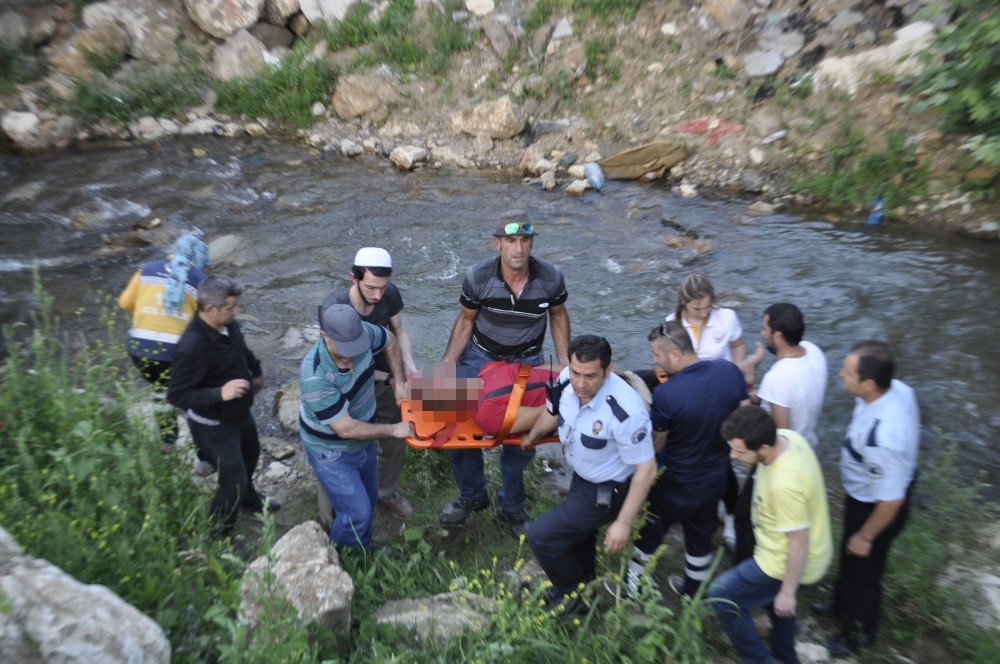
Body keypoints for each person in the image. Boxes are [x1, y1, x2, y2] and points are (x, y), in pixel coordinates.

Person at [438, 210, 571, 534]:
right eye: (511, 240)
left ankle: (511, 507)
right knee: (456, 425)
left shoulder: (551, 277)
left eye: (525, 240)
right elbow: (466, 320)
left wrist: (567, 367)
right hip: (479, 357)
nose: (519, 248)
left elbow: (558, 315)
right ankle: (473, 495)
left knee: (521, 438)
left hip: (528, 361)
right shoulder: (477, 276)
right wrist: (446, 366)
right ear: (497, 243)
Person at [522, 335, 656, 611]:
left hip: (610, 488)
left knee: (541, 536)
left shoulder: (626, 412)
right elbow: (553, 410)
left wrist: (624, 523)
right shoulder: (565, 379)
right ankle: (586, 587)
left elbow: (646, 469)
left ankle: (571, 597)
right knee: (580, 538)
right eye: (576, 373)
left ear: (608, 371)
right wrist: (531, 437)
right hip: (583, 477)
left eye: (591, 376)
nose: (581, 384)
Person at [813, 340, 920, 657]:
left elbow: (891, 501)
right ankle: (839, 606)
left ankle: (856, 636)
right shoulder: (896, 389)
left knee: (865, 570)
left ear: (869, 383)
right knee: (850, 556)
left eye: (847, 372)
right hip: (864, 492)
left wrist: (867, 535)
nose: (839, 375)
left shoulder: (884, 437)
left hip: (877, 506)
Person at [632, 321, 749, 597]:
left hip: (677, 482)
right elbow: (743, 414)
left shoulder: (667, 394)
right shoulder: (729, 371)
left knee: (651, 529)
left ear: (675, 354)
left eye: (656, 355)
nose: (654, 361)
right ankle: (692, 592)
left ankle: (632, 588)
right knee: (701, 536)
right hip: (715, 477)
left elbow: (661, 440)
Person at [709, 405, 832, 664]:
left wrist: (788, 591)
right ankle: (786, 657)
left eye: (740, 451)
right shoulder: (789, 437)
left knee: (721, 595)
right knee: (779, 608)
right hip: (802, 554)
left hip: (781, 563)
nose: (733, 456)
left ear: (763, 448)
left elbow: (798, 542)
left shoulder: (784, 484)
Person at [167, 275, 279, 538]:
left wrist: (256, 370)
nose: (236, 311)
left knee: (251, 456)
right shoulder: (191, 347)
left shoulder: (228, 325)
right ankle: (218, 535)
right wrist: (220, 393)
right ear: (209, 309)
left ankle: (250, 501)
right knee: (233, 484)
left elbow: (242, 351)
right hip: (213, 425)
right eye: (230, 307)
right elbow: (178, 395)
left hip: (239, 413)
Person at [299, 304, 413, 550]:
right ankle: (339, 559)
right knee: (358, 513)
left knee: (368, 500)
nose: (349, 363)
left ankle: (360, 545)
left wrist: (398, 380)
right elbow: (346, 429)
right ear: (325, 336)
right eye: (342, 355)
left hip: (363, 441)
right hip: (330, 450)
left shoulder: (364, 332)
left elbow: (391, 341)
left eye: (355, 352)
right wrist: (393, 429)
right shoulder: (314, 375)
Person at [319, 247, 419, 520]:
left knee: (396, 438)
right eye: (372, 288)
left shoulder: (389, 294)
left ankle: (386, 493)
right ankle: (334, 513)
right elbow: (344, 364)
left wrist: (407, 369)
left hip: (387, 371)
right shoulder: (334, 310)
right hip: (349, 380)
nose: (378, 295)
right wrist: (388, 377)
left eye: (383, 288)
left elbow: (398, 332)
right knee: (342, 445)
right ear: (354, 277)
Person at [118, 234, 210, 467]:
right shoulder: (199, 279)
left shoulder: (146, 270)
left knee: (162, 391)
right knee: (193, 400)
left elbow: (124, 304)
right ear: (198, 256)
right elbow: (207, 323)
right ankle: (205, 460)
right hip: (175, 354)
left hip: (139, 349)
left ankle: (168, 442)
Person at [747, 303, 827, 448]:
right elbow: (795, 395)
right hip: (809, 444)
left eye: (765, 329)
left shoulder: (777, 377)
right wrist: (759, 397)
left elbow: (780, 437)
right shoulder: (814, 351)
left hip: (789, 455)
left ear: (777, 336)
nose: (763, 334)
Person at [664, 272, 746, 364]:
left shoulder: (727, 317)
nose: (704, 314)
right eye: (697, 309)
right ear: (683, 301)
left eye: (708, 306)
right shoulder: (670, 324)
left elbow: (737, 345)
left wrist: (737, 369)